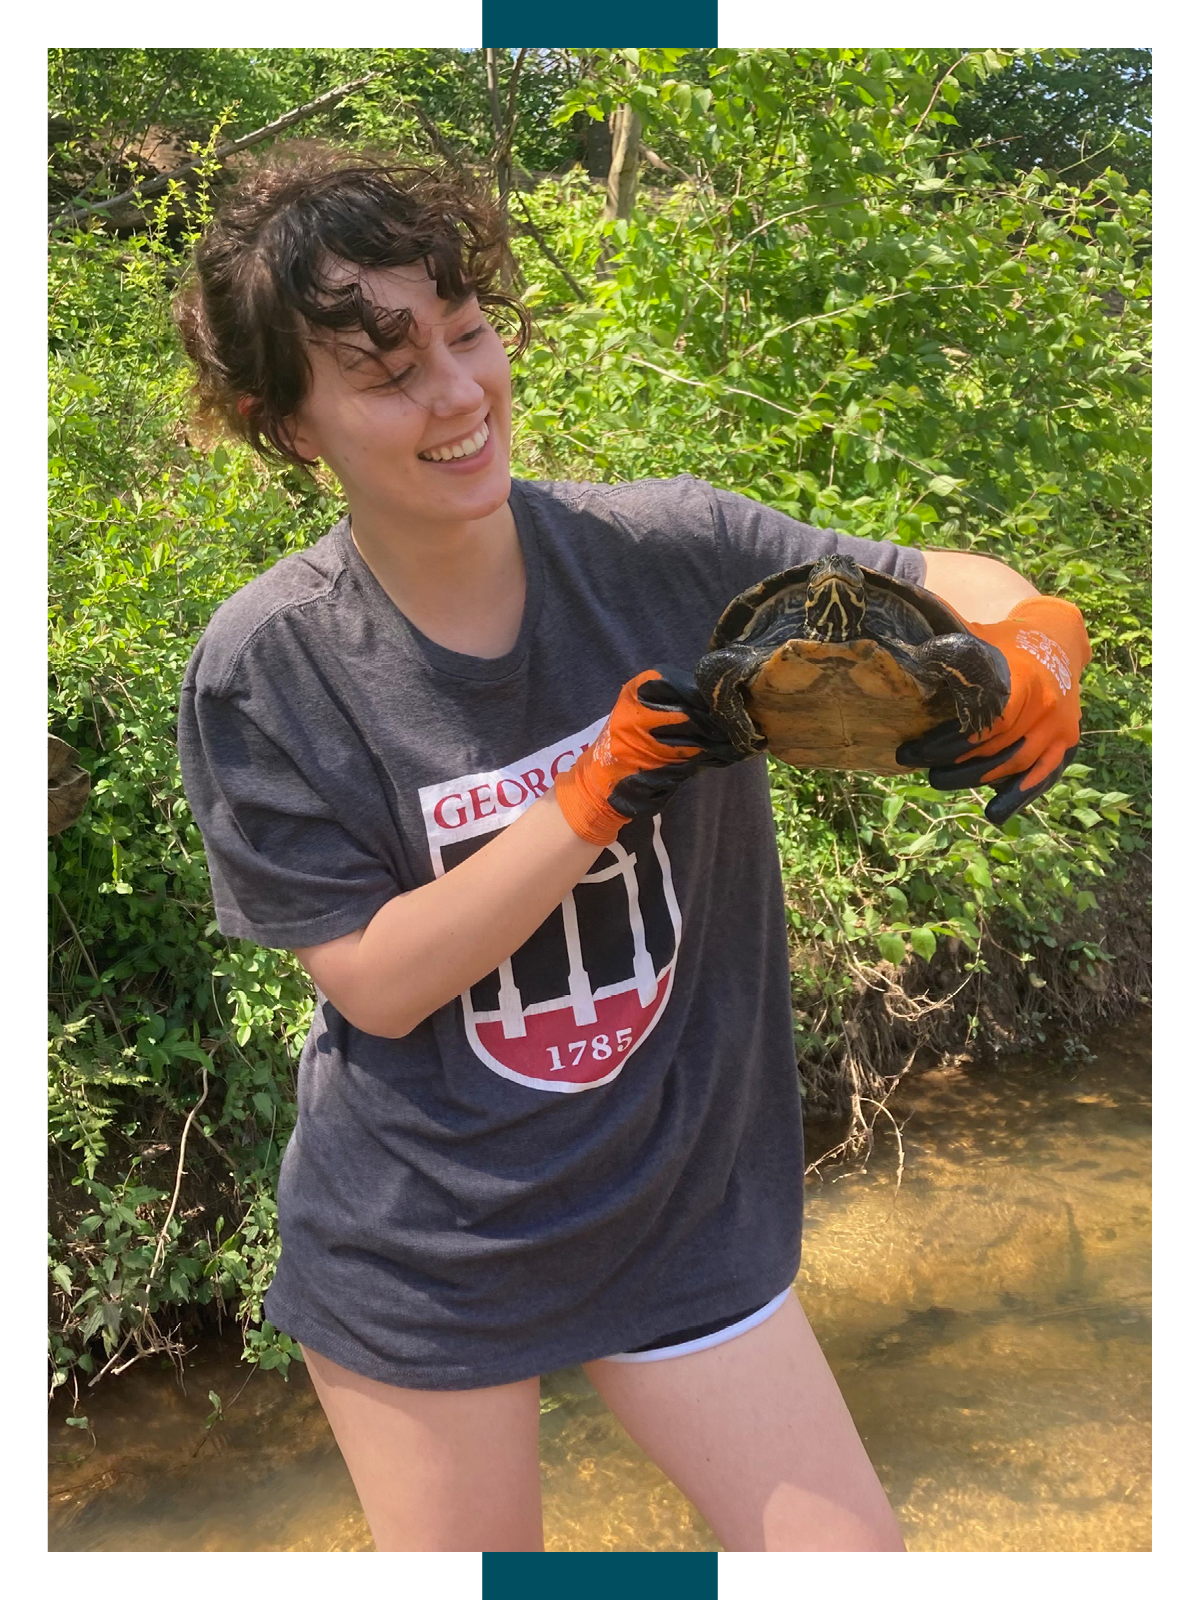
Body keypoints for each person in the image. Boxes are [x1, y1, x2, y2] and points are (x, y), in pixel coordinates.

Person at [174, 146, 1091, 1554]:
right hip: (430, 1246)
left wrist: (1033, 650)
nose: (458, 394)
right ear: (285, 424)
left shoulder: (664, 547)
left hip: (684, 1207)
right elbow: (375, 982)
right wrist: (593, 793)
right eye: (386, 370)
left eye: (467, 334)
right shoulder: (270, 665)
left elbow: (952, 583)